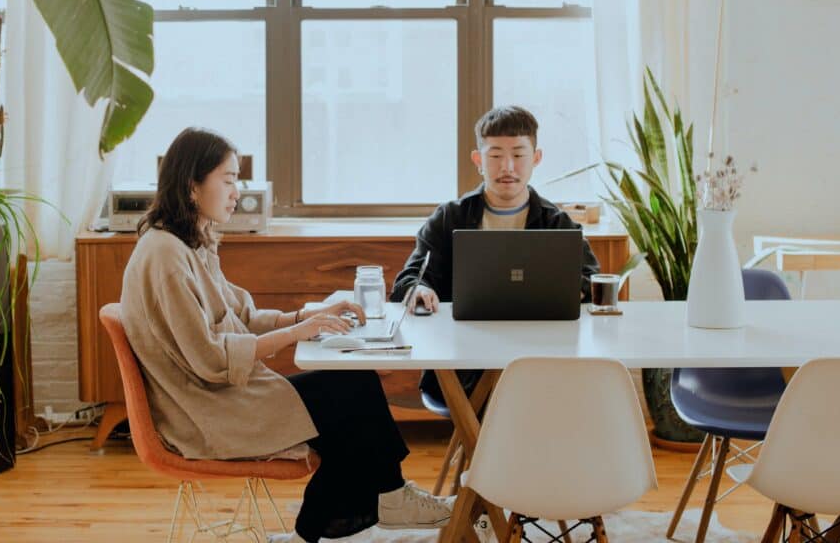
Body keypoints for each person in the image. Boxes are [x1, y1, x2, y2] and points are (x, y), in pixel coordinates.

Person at [119, 127, 453, 543]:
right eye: (228, 180)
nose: (237, 192)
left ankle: (368, 507)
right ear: (192, 187)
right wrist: (299, 331)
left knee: (353, 390)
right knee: (350, 396)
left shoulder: (189, 244)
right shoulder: (167, 257)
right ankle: (381, 502)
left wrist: (307, 315)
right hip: (205, 412)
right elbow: (209, 358)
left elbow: (241, 315)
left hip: (222, 397)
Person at [390, 105, 600, 400]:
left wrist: (572, 289)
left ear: (536, 158)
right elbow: (408, 279)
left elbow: (593, 280)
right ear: (478, 160)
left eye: (518, 155)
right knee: (510, 403)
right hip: (463, 363)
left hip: (540, 359)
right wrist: (418, 288)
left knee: (546, 398)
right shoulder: (450, 217)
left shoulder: (557, 222)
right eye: (496, 155)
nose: (508, 167)